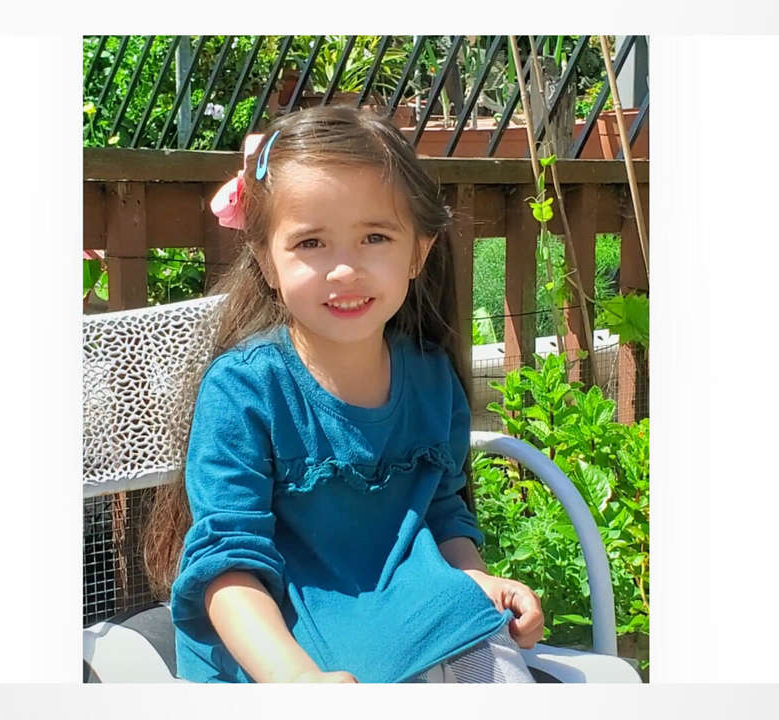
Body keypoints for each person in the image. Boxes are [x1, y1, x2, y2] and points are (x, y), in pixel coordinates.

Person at [142, 105, 543, 683]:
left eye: (374, 237)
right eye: (311, 243)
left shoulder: (431, 380)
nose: (344, 270)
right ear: (266, 260)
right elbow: (228, 571)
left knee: (482, 641)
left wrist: (480, 579)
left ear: (418, 251)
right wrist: (298, 682)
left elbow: (441, 511)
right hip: (276, 644)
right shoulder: (245, 391)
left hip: (409, 616)